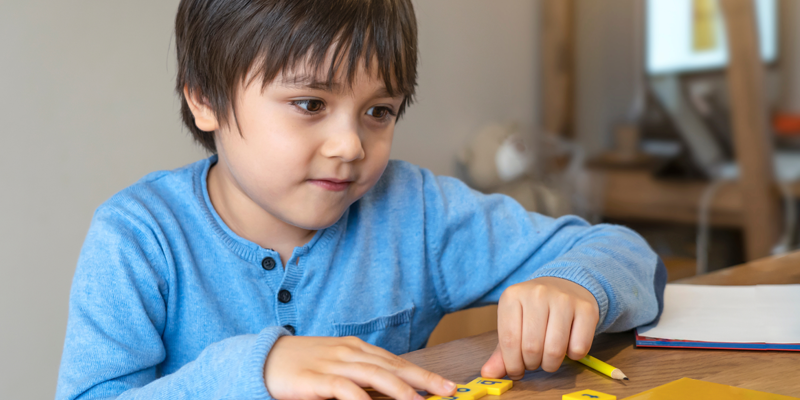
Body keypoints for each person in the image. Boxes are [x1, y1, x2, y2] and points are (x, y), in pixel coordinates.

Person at [56, 1, 667, 399]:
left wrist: (575, 284)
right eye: (310, 105)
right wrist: (256, 371)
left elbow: (628, 254)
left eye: (379, 112)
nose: (350, 145)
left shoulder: (415, 212)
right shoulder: (138, 237)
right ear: (204, 101)